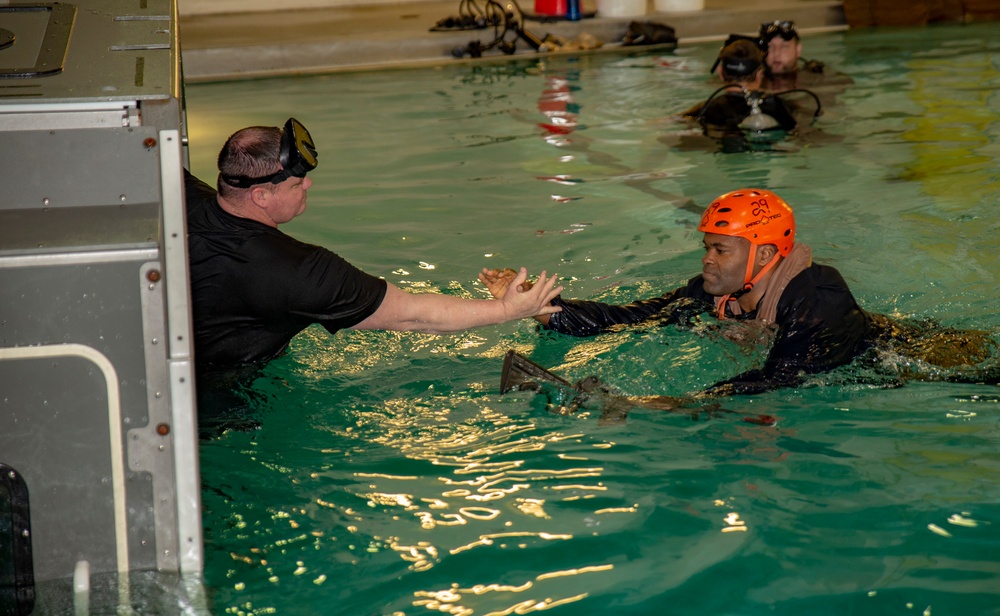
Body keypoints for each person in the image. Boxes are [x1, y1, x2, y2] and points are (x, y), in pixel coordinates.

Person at [480, 188, 996, 411]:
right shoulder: (715, 295)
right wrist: (541, 306)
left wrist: (678, 404)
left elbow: (782, 378)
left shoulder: (819, 299)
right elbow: (627, 319)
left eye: (721, 250)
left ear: (766, 253)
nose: (707, 260)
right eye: (706, 247)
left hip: (929, 359)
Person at [185, 117, 564, 376]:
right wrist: (507, 309)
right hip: (231, 406)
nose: (308, 187)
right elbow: (411, 314)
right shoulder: (298, 270)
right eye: (297, 184)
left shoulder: (179, 201)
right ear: (262, 196)